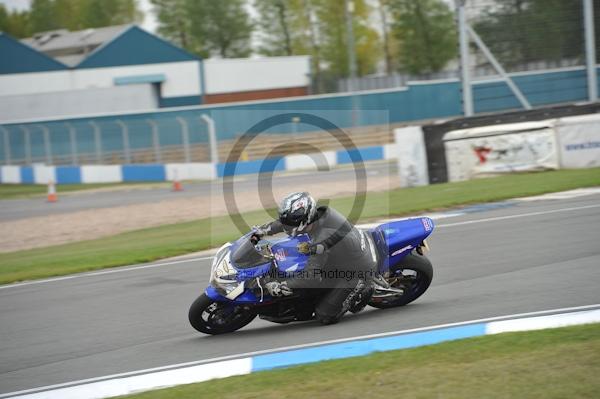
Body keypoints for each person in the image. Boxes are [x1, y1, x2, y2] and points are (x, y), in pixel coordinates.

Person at [252, 192, 377, 325]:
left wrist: (282, 286)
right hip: (342, 255)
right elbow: (287, 222)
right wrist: (264, 230)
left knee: (325, 315)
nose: (287, 226)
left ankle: (364, 288)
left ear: (304, 221)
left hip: (356, 271)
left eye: (291, 223)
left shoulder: (321, 239)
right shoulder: (318, 215)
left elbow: (310, 277)